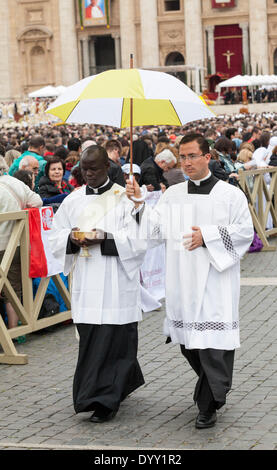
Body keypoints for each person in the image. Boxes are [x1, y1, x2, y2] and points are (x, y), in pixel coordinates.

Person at [126, 133, 254, 429]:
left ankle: (208, 404)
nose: (186, 162)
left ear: (207, 157)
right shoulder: (173, 194)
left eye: (192, 156)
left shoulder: (229, 194)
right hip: (182, 280)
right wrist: (138, 204)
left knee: (214, 344)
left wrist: (207, 237)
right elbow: (154, 231)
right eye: (182, 157)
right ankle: (213, 390)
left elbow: (245, 232)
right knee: (190, 345)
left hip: (215, 281)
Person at [48, 145, 145, 423]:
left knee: (115, 338)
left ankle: (104, 400)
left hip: (115, 278)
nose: (88, 174)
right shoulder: (73, 200)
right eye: (84, 169)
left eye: (94, 169)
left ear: (107, 168)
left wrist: (105, 237)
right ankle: (116, 384)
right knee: (92, 337)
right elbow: (54, 236)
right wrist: (72, 239)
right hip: (87, 278)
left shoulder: (124, 198)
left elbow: (140, 240)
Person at [0, 174, 42, 329]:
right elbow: (37, 201)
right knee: (13, 289)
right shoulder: (13, 181)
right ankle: (15, 330)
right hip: (17, 244)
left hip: (3, 245)